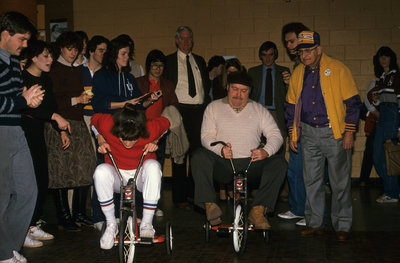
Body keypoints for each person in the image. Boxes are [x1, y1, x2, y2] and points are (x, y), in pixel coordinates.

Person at [286, 31, 361, 241]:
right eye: (301, 52)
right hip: (308, 133)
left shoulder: (338, 69)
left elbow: (354, 104)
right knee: (311, 181)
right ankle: (315, 223)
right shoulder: (298, 73)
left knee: (340, 182)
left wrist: (349, 132)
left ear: (319, 49)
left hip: (334, 133)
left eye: (309, 50)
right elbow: (291, 106)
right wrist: (293, 133)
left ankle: (342, 226)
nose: (305, 55)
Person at [191, 71, 287, 229]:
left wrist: (266, 151)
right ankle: (210, 205)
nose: (238, 94)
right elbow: (206, 136)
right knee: (198, 156)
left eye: (244, 91)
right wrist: (220, 150)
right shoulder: (213, 107)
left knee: (279, 163)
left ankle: (257, 211)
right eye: (235, 89)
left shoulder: (258, 109)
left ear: (250, 91)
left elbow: (275, 135)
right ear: (227, 87)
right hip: (224, 164)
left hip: (251, 165)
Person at [91, 104, 170, 249]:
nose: (128, 143)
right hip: (117, 173)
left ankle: (146, 224)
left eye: (133, 139)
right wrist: (100, 138)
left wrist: (155, 141)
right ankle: (111, 224)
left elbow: (166, 124)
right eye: (123, 139)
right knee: (100, 171)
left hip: (141, 174)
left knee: (154, 166)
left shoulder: (150, 128)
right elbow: (94, 120)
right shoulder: (108, 124)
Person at [0, 11, 44, 263]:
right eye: (22, 39)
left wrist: (29, 101)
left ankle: (8, 247)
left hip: (16, 130)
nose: (25, 45)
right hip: (1, 133)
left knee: (29, 192)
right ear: (5, 34)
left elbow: (15, 101)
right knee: (3, 196)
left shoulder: (13, 62)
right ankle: (4, 253)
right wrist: (21, 100)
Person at [21, 40, 71, 248]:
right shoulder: (22, 77)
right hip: (21, 132)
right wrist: (54, 117)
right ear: (33, 57)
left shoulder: (47, 80)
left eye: (51, 56)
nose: (50, 60)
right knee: (25, 182)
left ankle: (32, 224)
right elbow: (27, 108)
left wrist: (60, 130)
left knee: (42, 179)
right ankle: (21, 229)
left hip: (37, 132)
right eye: (46, 56)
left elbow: (51, 107)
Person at [48, 31, 96, 231]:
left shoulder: (77, 70)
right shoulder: (54, 69)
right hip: (59, 122)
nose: (73, 52)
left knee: (85, 166)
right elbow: (53, 101)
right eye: (69, 48)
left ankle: (79, 213)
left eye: (76, 49)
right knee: (61, 170)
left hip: (76, 121)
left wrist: (81, 99)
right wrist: (78, 100)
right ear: (61, 48)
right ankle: (63, 216)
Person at [163, 26, 210, 208]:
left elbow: (205, 86)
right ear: (176, 40)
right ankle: (180, 197)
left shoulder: (199, 60)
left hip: (199, 111)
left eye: (189, 38)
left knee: (197, 153)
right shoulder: (169, 61)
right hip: (179, 110)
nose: (186, 42)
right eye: (182, 38)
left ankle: (193, 194)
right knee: (179, 152)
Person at [278, 22, 310, 226]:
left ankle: (312, 214)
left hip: (312, 126)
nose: (289, 46)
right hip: (298, 126)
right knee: (294, 169)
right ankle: (298, 209)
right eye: (287, 42)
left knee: (311, 173)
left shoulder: (311, 63)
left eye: (292, 41)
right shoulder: (298, 66)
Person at [80, 35, 109, 231]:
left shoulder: (105, 73)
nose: (103, 54)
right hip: (81, 118)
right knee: (84, 164)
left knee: (100, 164)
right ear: (91, 51)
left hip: (99, 119)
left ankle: (98, 212)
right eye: (100, 50)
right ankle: (80, 210)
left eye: (105, 51)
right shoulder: (79, 71)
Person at [248, 41, 290, 156]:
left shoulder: (284, 71)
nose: (267, 58)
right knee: (256, 145)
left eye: (270, 55)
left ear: (275, 55)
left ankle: (279, 171)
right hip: (258, 113)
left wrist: (288, 84)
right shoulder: (253, 72)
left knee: (278, 147)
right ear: (260, 56)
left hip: (277, 114)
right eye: (264, 55)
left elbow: (290, 95)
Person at [92, 36, 153, 114]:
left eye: (128, 54)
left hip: (127, 117)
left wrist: (150, 101)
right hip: (108, 117)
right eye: (123, 54)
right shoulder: (101, 75)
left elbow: (139, 104)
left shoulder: (130, 77)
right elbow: (98, 104)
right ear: (114, 54)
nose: (127, 57)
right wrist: (124, 104)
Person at [371, 46, 400, 203]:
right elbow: (385, 99)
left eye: (386, 56)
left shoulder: (397, 76)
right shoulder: (382, 77)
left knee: (390, 154)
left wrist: (399, 127)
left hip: (393, 114)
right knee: (377, 154)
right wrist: (378, 101)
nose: (383, 59)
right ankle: (393, 190)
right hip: (383, 115)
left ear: (391, 58)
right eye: (381, 57)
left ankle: (392, 193)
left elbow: (399, 101)